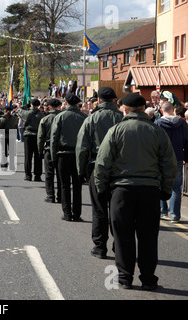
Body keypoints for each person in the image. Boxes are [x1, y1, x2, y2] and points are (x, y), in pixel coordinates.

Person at [95, 93, 177, 290]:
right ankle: (148, 278)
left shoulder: (116, 130)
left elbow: (102, 163)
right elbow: (169, 164)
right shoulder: (157, 132)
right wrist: (165, 190)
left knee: (123, 236)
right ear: (143, 109)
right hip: (149, 190)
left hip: (122, 190)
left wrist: (102, 188)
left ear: (125, 109)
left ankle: (124, 278)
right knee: (148, 237)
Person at [76, 87, 123, 259]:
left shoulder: (92, 118)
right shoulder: (121, 117)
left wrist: (81, 171)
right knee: (117, 211)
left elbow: (82, 147)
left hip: (96, 165)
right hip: (118, 168)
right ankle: (118, 247)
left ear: (99, 100)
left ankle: (100, 246)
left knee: (99, 208)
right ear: (114, 100)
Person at [50, 94, 87, 222]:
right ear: (77, 104)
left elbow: (54, 139)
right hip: (78, 155)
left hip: (63, 154)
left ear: (66, 103)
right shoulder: (84, 117)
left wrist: (53, 156)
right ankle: (76, 214)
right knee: (77, 186)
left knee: (64, 185)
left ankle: (67, 213)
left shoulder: (60, 117)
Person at [155, 101, 188, 223]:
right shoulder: (182, 123)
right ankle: (175, 215)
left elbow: (155, 142)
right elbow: (187, 140)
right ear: (173, 109)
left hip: (161, 158)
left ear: (161, 110)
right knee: (176, 187)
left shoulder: (158, 123)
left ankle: (163, 211)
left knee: (160, 184)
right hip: (178, 157)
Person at [38, 98, 62, 203]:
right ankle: (61, 195)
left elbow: (40, 137)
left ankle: (50, 195)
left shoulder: (45, 119)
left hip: (48, 148)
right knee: (61, 174)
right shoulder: (63, 117)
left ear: (49, 107)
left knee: (49, 173)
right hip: (61, 149)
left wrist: (40, 151)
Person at [17, 99, 44, 181]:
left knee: (28, 156)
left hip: (28, 135)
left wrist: (26, 105)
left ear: (31, 105)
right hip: (38, 136)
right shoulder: (41, 115)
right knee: (38, 156)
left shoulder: (27, 113)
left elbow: (19, 110)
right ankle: (38, 176)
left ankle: (28, 175)